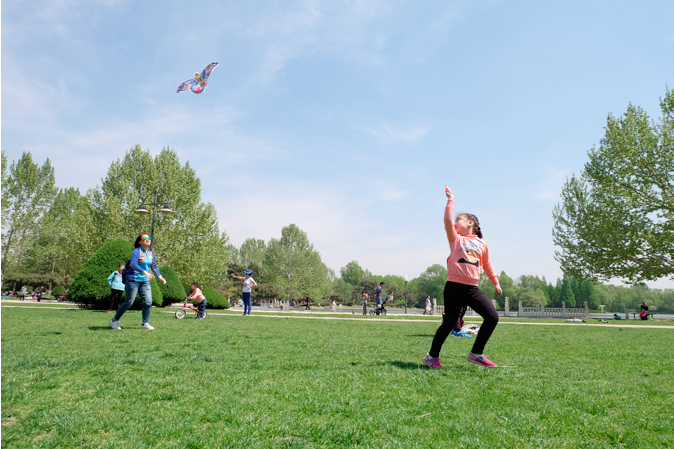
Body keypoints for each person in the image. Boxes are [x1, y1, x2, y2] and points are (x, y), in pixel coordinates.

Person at [424, 186, 503, 369]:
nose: (455, 223)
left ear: (471, 223)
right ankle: (432, 357)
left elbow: (487, 264)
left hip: (472, 288)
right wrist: (450, 199)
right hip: (453, 286)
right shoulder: (456, 240)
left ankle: (477, 353)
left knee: (492, 317)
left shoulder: (482, 243)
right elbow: (446, 220)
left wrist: (496, 282)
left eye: (459, 220)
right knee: (449, 323)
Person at [109, 233, 166, 330]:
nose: (147, 239)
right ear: (140, 241)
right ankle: (114, 320)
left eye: (149, 238)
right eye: (145, 238)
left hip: (145, 281)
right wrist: (145, 272)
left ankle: (145, 323)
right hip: (133, 280)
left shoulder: (151, 253)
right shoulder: (136, 251)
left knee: (148, 302)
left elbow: (154, 266)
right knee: (129, 302)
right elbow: (133, 264)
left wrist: (160, 276)